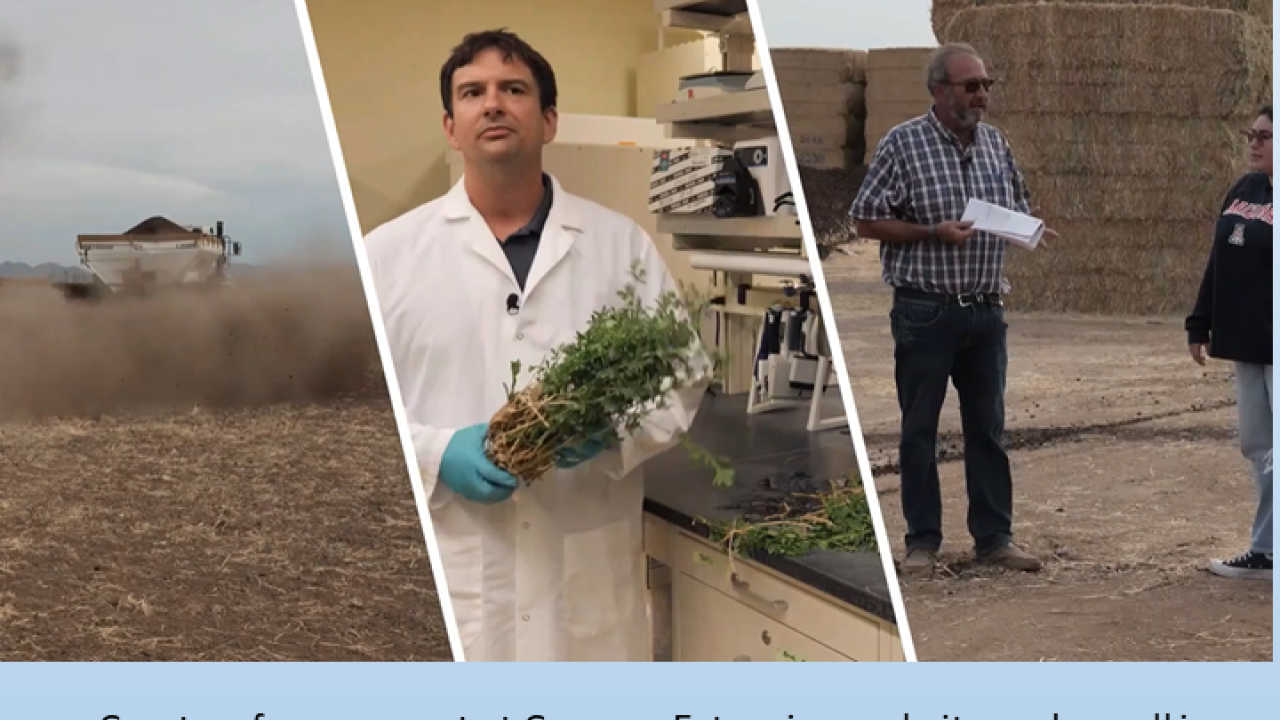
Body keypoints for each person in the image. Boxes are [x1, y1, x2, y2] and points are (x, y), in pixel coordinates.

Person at [363, 29, 711, 660]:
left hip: (583, 593)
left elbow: (681, 374)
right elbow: (356, 413)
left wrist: (615, 430)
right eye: (473, 92)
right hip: (460, 586)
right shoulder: (387, 256)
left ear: (549, 120)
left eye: (513, 89)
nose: (492, 104)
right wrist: (437, 454)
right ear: (451, 126)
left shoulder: (619, 245)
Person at [849, 43, 1057, 578]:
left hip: (986, 312)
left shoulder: (995, 145)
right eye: (971, 86)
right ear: (939, 91)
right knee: (919, 430)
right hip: (926, 311)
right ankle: (922, 543)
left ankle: (994, 538)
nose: (982, 95)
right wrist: (931, 234)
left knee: (987, 428)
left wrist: (1028, 228)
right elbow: (866, 220)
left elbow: (1017, 204)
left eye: (987, 85)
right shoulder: (904, 143)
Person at [1186, 104, 1273, 580]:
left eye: (1265, 136)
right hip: (1246, 342)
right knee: (1259, 446)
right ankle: (1266, 551)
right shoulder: (1244, 190)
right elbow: (1218, 261)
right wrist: (1199, 323)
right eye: (1251, 134)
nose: (1254, 143)